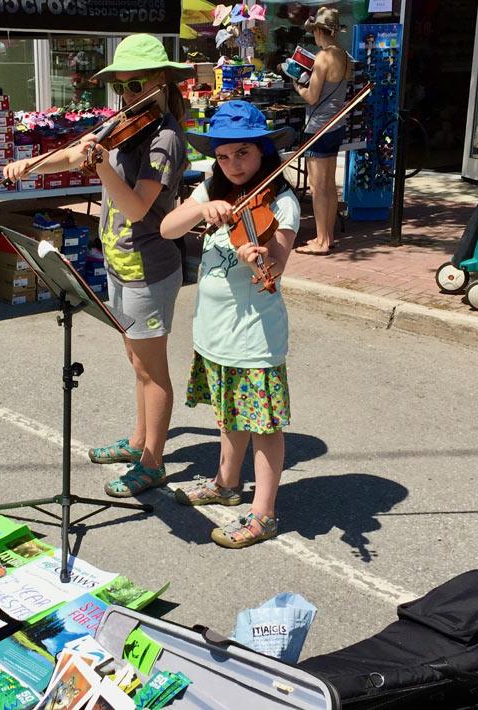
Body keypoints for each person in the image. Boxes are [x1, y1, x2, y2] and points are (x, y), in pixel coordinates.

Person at [3, 34, 195, 497]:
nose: (128, 95)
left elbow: (135, 208)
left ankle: (153, 462)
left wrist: (103, 167)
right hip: (119, 262)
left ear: (162, 81)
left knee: (153, 370)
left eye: (138, 84)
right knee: (135, 360)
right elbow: (75, 153)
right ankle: (137, 440)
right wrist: (31, 165)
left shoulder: (165, 138)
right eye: (122, 86)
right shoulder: (126, 123)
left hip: (148, 267)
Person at [160, 101, 300, 549]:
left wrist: (259, 258)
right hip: (214, 329)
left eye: (243, 153)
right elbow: (166, 227)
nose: (233, 164)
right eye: (223, 156)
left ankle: (264, 513)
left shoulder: (281, 202)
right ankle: (225, 482)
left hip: (255, 335)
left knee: (264, 426)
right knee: (229, 414)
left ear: (262, 152)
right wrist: (205, 209)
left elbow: (275, 268)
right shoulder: (210, 190)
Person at [293, 7, 352, 255]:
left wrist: (298, 86)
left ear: (319, 30)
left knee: (318, 187)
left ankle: (321, 240)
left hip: (319, 126)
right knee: (329, 185)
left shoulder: (323, 57)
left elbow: (312, 96)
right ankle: (327, 237)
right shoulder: (345, 56)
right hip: (336, 125)